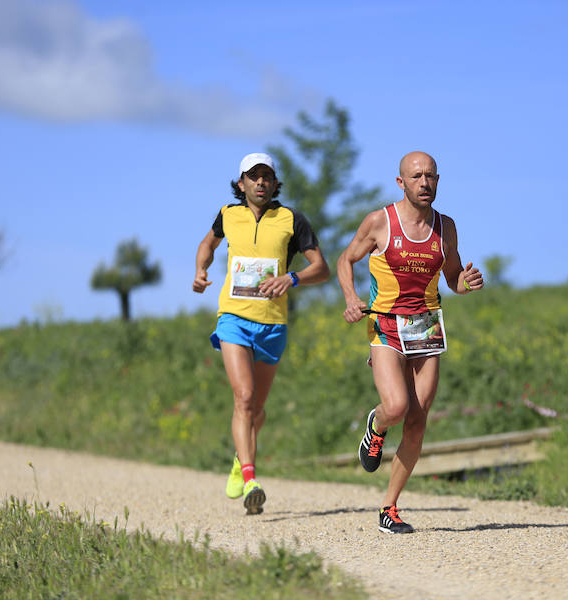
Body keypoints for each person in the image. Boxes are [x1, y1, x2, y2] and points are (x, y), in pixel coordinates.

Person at [336, 151, 484, 533]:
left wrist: (466, 283)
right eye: (416, 176)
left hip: (425, 326)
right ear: (401, 183)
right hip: (385, 323)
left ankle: (389, 507)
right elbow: (345, 260)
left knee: (417, 422)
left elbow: (453, 278)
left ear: (438, 181)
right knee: (397, 406)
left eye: (430, 176)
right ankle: (377, 424)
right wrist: (351, 299)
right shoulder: (379, 222)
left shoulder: (446, 227)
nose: (424, 183)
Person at [193, 152, 329, 515]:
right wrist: (200, 271)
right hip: (233, 318)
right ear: (241, 184)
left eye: (267, 176)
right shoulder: (227, 214)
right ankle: (251, 479)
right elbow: (207, 245)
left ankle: (241, 460)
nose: (260, 182)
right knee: (244, 397)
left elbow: (321, 268)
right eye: (253, 176)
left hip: (272, 324)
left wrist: (292, 278)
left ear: (275, 182)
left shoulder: (292, 219)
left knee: (257, 410)